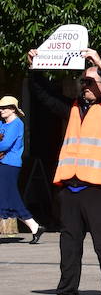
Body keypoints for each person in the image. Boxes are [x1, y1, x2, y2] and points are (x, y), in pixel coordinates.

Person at [27, 48, 101, 295]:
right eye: (83, 81)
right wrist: (35, 68)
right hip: (69, 190)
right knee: (69, 248)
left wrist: (100, 63)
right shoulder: (73, 108)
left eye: (90, 81)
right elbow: (44, 95)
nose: (84, 85)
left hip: (97, 190)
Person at [0, 94, 43, 242]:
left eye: (5, 107)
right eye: (0, 107)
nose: (1, 110)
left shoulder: (17, 123)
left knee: (9, 197)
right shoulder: (3, 124)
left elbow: (5, 144)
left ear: (13, 109)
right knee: (11, 198)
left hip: (9, 165)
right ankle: (35, 227)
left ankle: (35, 226)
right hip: (3, 164)